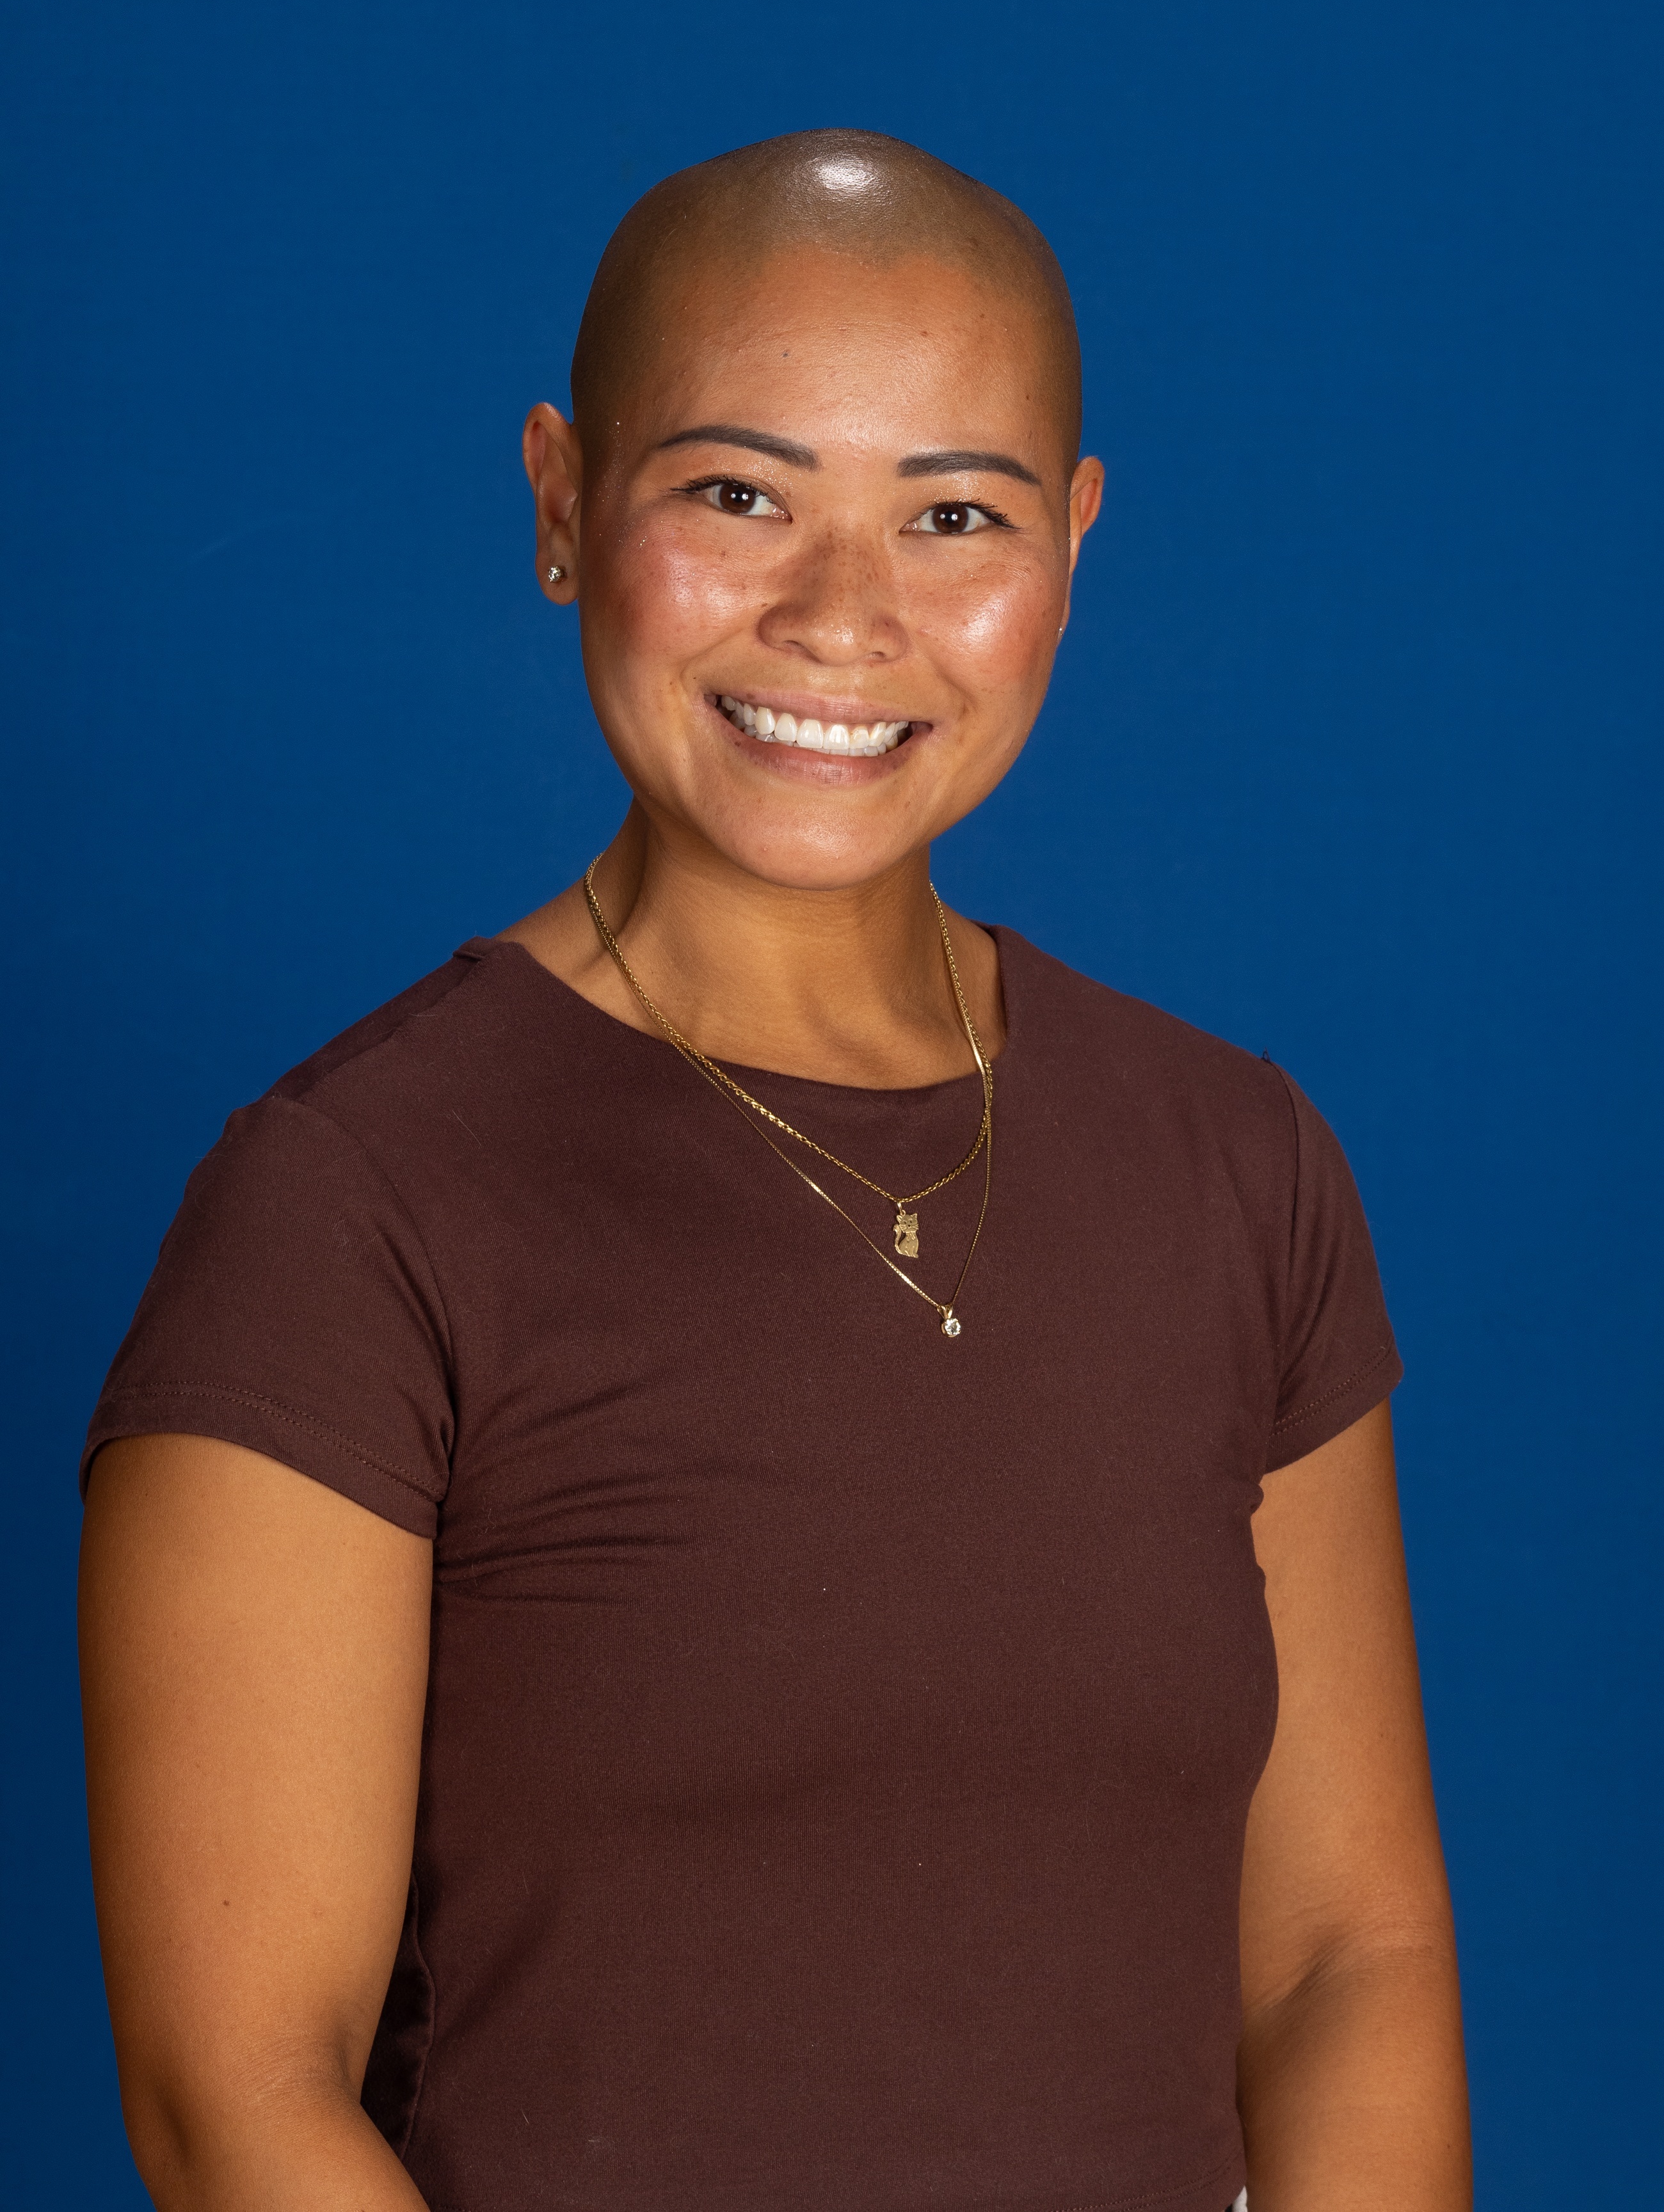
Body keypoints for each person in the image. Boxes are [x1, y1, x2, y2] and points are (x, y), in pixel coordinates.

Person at [78, 129, 1470, 2212]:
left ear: (1074, 543)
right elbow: (236, 2098)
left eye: (954, 515)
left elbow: (1344, 1958)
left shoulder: (1237, 1166)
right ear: (564, 503)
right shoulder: (346, 1206)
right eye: (739, 494)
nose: (842, 617)